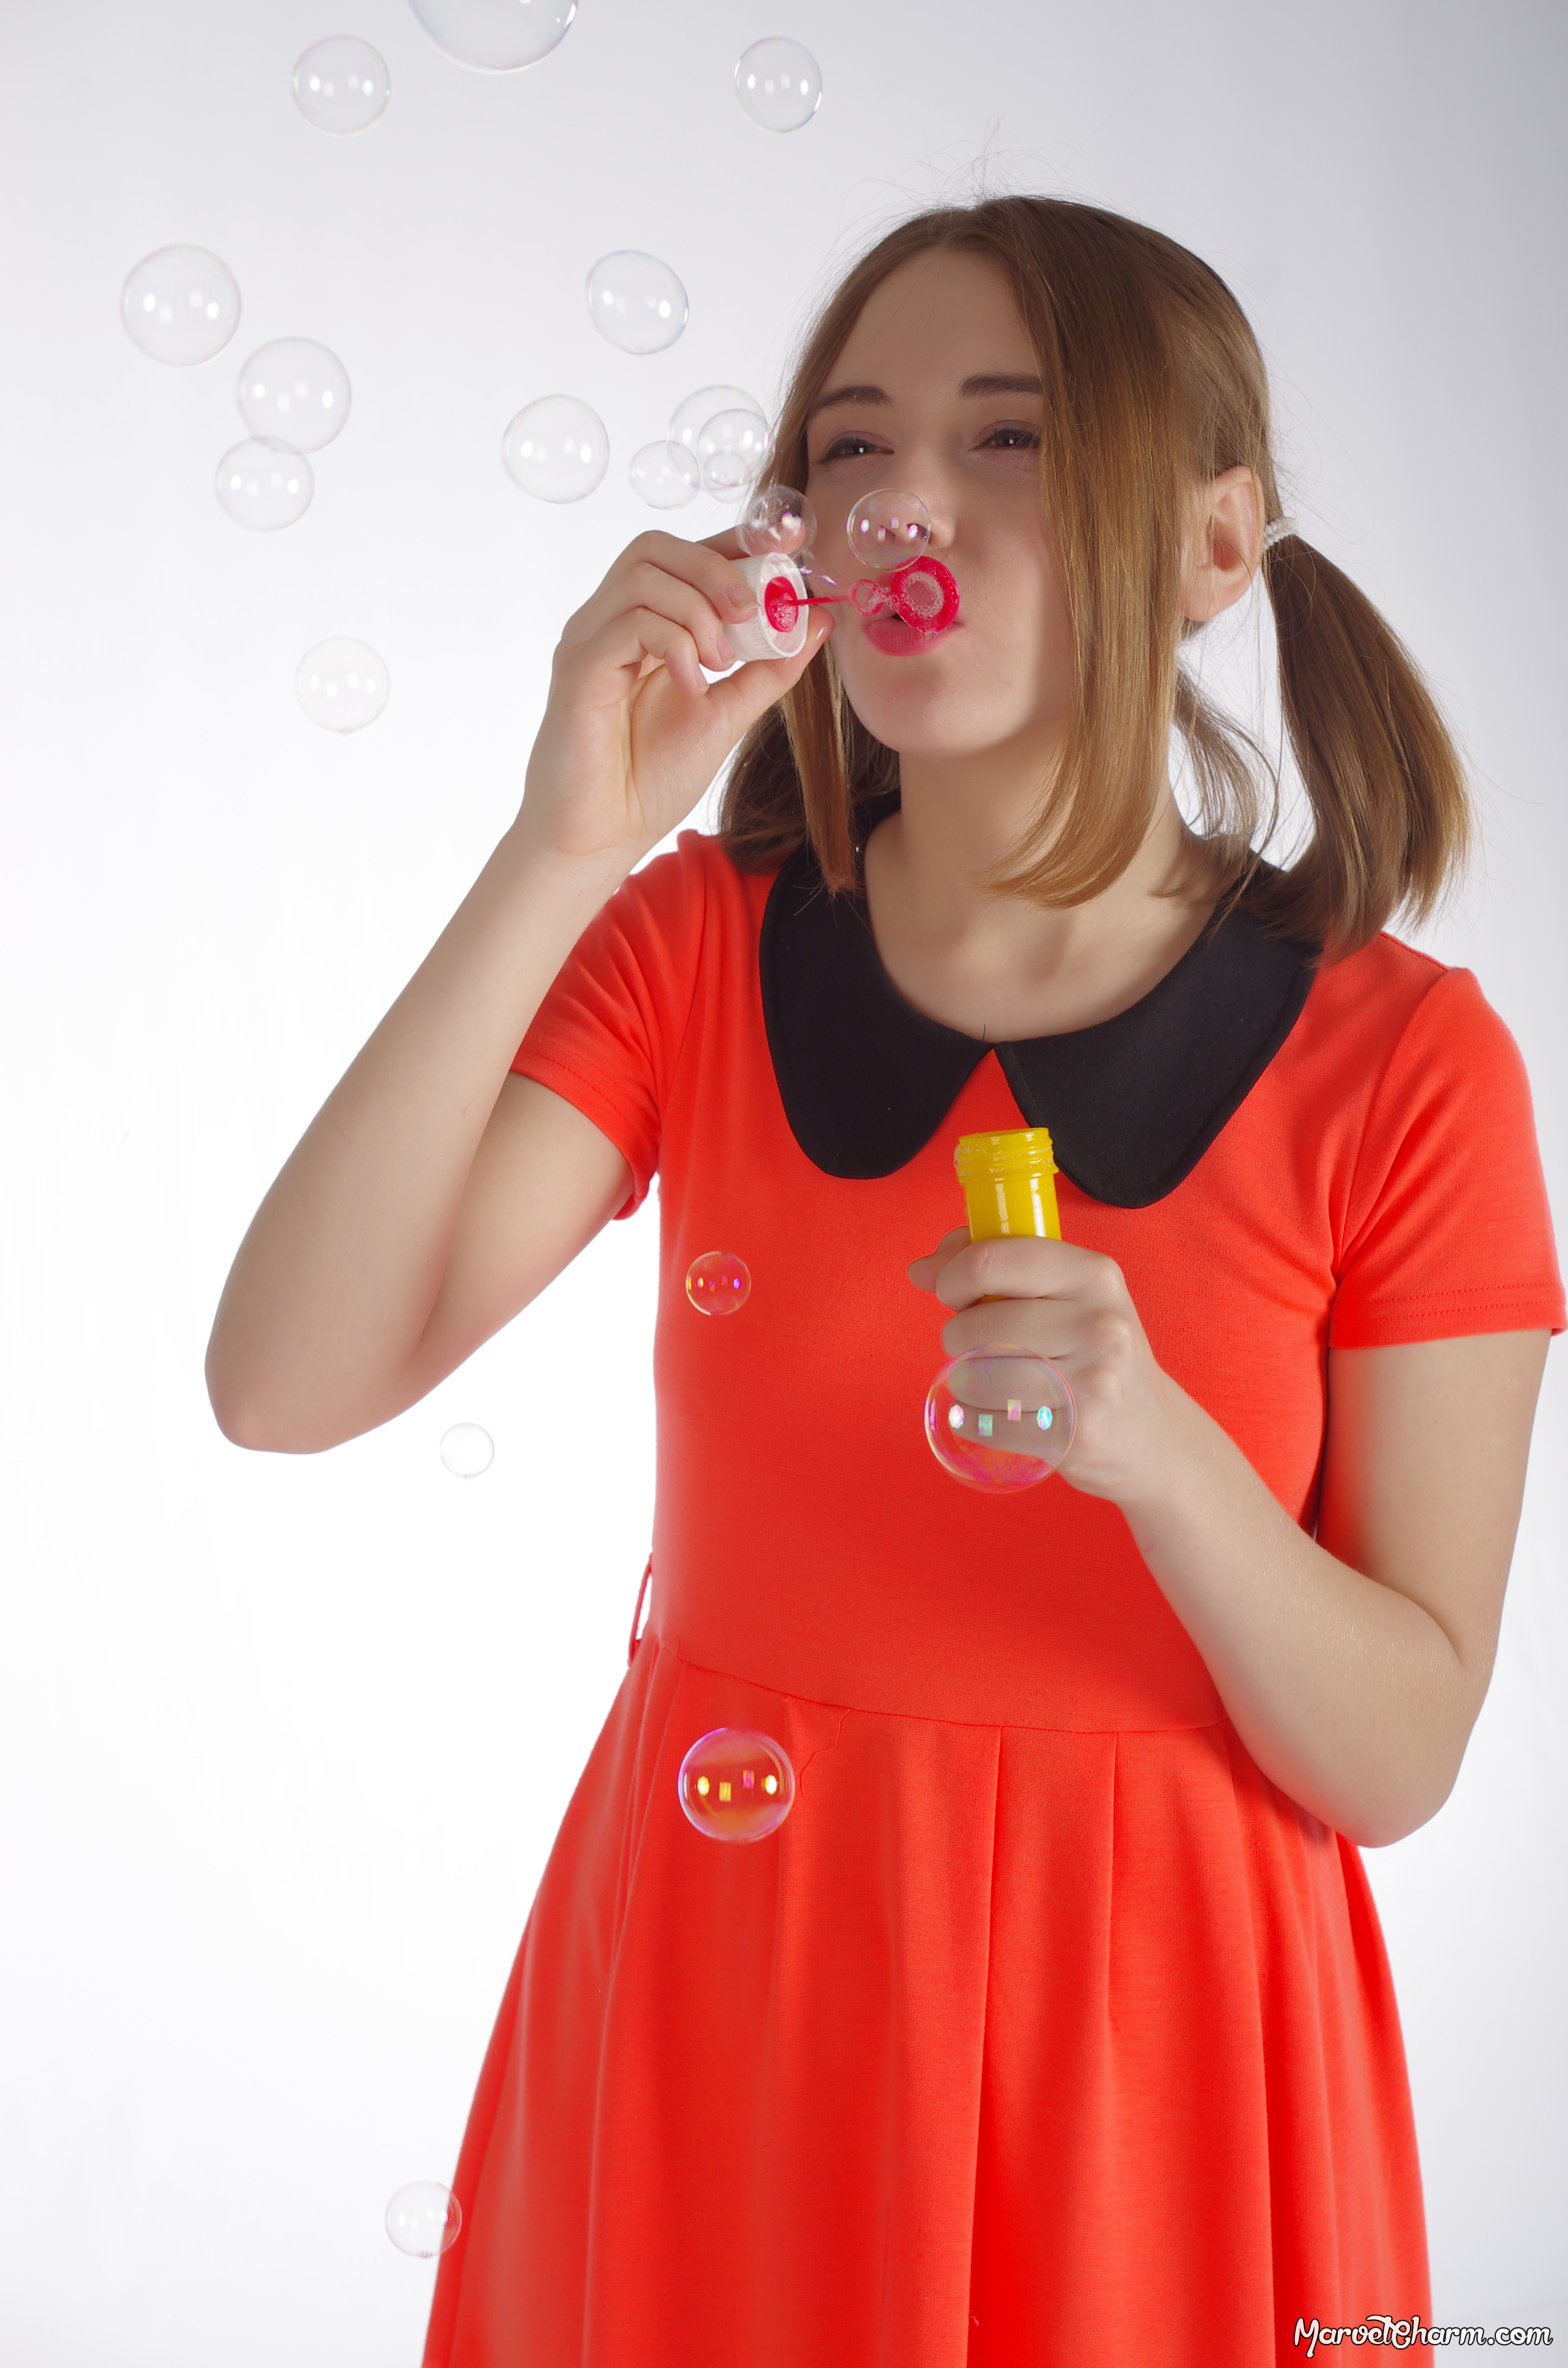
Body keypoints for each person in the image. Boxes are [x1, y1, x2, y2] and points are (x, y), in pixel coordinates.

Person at [205, 197, 1563, 2367]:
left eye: (1011, 437)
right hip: (733, 2002)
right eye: (852, 449)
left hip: (1160, 2063)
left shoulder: (1403, 1066)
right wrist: (567, 844)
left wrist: (1166, 1459)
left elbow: (1397, 1754)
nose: (905, 504)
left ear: (1215, 542)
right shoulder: (691, 956)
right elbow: (281, 1380)